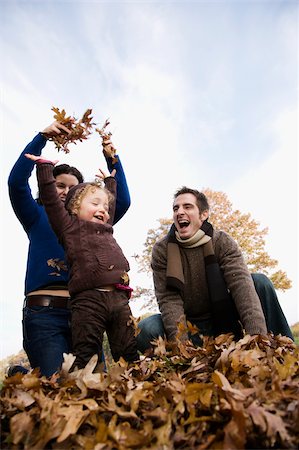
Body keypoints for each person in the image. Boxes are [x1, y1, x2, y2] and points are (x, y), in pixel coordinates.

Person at [8, 121, 131, 376]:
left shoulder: (91, 222)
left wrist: (113, 160)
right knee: (59, 387)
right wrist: (41, 137)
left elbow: (122, 200)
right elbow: (17, 183)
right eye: (58, 185)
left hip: (88, 311)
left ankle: (28, 375)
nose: (64, 191)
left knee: (97, 386)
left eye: (71, 187)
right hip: (45, 314)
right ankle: (24, 376)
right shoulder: (36, 214)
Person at [137, 187, 294, 352]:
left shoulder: (222, 241)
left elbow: (241, 286)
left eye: (187, 207)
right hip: (191, 327)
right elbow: (169, 300)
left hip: (225, 318)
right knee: (147, 328)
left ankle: (285, 351)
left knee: (260, 282)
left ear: (203, 215)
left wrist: (257, 341)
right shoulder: (162, 250)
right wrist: (182, 349)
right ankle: (176, 369)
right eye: (176, 208)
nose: (179, 212)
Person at [25, 152, 139, 368]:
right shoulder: (69, 228)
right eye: (95, 203)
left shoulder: (105, 227)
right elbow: (50, 200)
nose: (103, 210)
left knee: (128, 350)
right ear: (75, 207)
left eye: (105, 207)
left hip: (118, 299)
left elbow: (112, 204)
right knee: (87, 356)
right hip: (89, 301)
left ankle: (139, 389)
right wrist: (44, 168)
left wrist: (111, 182)